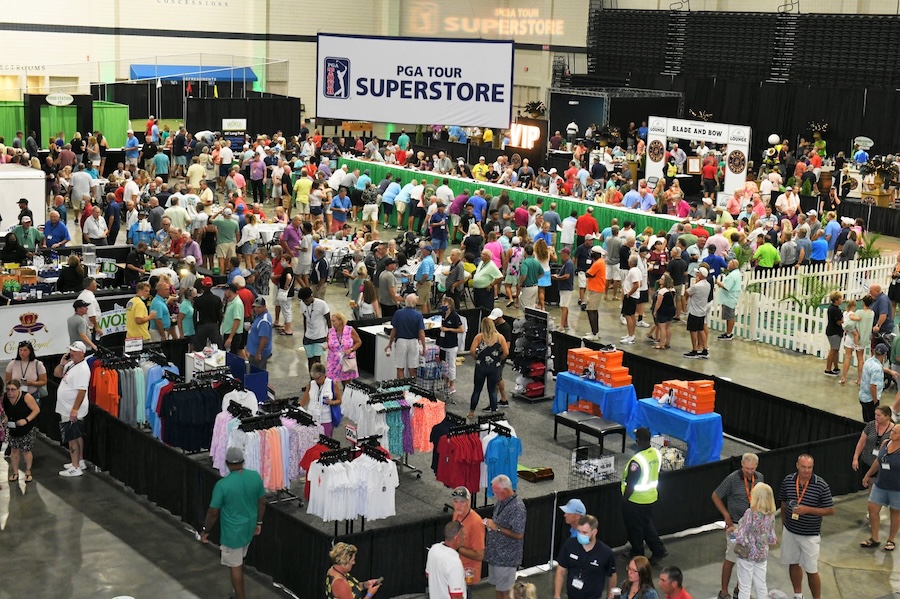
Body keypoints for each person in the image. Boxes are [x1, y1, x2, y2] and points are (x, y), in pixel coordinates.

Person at [200, 446, 266, 599]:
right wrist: (259, 523)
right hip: (249, 528)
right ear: (243, 461)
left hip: (233, 533)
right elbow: (262, 502)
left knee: (235, 565)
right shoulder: (255, 477)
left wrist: (206, 530)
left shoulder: (222, 485)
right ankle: (236, 593)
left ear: (227, 463)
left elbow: (213, 512)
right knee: (240, 559)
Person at [778, 454, 834, 599]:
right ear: (797, 465)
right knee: (793, 563)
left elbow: (830, 510)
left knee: (811, 569)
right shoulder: (788, 480)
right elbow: (783, 504)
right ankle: (798, 595)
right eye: (803, 467)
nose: (806, 471)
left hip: (810, 535)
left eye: (809, 467)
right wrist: (784, 525)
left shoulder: (821, 485)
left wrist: (808, 510)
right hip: (790, 531)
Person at [711, 453, 764, 599]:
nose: (749, 472)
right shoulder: (732, 479)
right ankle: (723, 592)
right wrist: (726, 515)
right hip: (734, 527)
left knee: (747, 559)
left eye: (752, 469)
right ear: (742, 464)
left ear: (756, 466)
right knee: (732, 556)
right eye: (747, 468)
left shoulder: (759, 478)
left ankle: (740, 589)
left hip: (751, 526)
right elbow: (715, 495)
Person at [622, 427, 667, 563]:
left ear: (638, 441)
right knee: (646, 525)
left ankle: (637, 554)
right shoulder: (656, 453)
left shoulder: (638, 460)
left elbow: (631, 483)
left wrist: (625, 500)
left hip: (636, 500)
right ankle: (658, 549)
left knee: (635, 528)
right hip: (651, 497)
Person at [553, 514, 617, 599]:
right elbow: (560, 570)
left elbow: (612, 576)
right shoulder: (570, 545)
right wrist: (557, 595)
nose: (580, 535)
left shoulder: (605, 552)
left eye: (584, 532)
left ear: (594, 532)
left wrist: (610, 597)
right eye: (579, 531)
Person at [484, 474, 527, 599]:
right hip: (496, 555)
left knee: (506, 592)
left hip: (506, 558)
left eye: (496, 492)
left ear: (505, 490)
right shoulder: (502, 501)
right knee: (499, 588)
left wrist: (496, 527)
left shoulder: (517, 507)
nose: (494, 494)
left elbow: (519, 534)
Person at [733, 483, 778, 599]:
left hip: (747, 554)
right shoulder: (771, 516)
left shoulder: (750, 513)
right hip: (762, 555)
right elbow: (771, 538)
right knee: (761, 584)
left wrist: (733, 533)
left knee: (745, 586)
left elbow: (742, 536)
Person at [53, 341, 91, 477]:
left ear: (82, 353)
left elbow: (82, 391)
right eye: (71, 350)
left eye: (75, 351)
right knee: (76, 435)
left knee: (72, 437)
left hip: (72, 409)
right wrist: (62, 363)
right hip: (67, 407)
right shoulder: (71, 364)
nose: (72, 353)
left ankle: (75, 467)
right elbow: (57, 374)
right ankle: (80, 461)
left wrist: (74, 410)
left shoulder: (83, 369)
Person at [861, 424, 900, 550]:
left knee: (895, 513)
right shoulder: (885, 443)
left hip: (897, 488)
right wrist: (868, 475)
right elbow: (878, 461)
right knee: (872, 509)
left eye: (895, 432)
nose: (892, 433)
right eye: (892, 431)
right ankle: (875, 538)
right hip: (880, 484)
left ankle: (891, 540)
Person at [467, 317, 509, 418]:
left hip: (481, 366)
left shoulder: (479, 337)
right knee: (492, 390)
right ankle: (493, 413)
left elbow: (472, 351)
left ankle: (471, 412)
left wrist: (476, 358)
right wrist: (499, 359)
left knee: (477, 390)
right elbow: (506, 352)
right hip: (494, 367)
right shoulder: (499, 337)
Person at [2, 379, 40, 483]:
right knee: (14, 450)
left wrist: (26, 420)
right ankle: (15, 472)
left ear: (19, 389)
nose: (10, 392)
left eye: (13, 389)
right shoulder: (5, 398)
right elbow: (5, 410)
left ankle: (28, 472)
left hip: (27, 428)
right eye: (8, 389)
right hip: (13, 427)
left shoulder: (26, 397)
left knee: (26, 450)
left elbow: (36, 409)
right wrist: (5, 418)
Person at [449, 486, 485, 590]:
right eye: (456, 501)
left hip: (468, 574)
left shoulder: (476, 523)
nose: (458, 506)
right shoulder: (456, 514)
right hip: (456, 568)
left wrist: (458, 548)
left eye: (462, 502)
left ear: (469, 502)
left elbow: (480, 555)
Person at [386, 295, 427, 379]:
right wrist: (424, 346)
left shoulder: (398, 313)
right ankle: (412, 385)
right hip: (413, 342)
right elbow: (421, 332)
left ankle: (401, 386)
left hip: (401, 341)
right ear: (414, 303)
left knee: (400, 367)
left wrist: (390, 343)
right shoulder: (418, 315)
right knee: (412, 368)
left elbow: (394, 330)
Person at [426, 520, 468, 599]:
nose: (465, 537)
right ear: (457, 538)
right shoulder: (455, 563)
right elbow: (456, 596)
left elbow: (428, 574)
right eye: (463, 534)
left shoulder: (433, 549)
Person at [859, 344, 899, 422]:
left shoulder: (869, 361)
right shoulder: (877, 368)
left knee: (866, 419)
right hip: (871, 400)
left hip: (863, 397)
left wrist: (890, 371)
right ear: (884, 354)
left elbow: (879, 368)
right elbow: (873, 386)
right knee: (873, 422)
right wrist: (876, 401)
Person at [301, 362, 342, 437]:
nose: (316, 380)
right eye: (314, 378)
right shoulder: (311, 384)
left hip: (326, 419)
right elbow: (303, 401)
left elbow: (339, 400)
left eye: (317, 378)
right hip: (312, 418)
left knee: (326, 441)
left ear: (323, 375)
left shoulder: (332, 384)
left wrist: (332, 402)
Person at [300, 286, 331, 371]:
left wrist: (329, 336)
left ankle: (319, 377)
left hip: (320, 336)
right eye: (303, 301)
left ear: (311, 296)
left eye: (306, 300)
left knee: (317, 360)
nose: (305, 303)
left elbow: (328, 320)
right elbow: (305, 318)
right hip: (308, 336)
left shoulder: (322, 304)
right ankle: (312, 378)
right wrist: (305, 334)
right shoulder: (302, 304)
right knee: (310, 359)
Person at [438, 297, 464, 395]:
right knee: (444, 365)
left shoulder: (455, 316)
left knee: (451, 366)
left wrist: (448, 329)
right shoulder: (443, 314)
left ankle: (452, 386)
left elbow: (461, 329)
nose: (442, 305)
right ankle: (446, 383)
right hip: (443, 343)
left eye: (444, 303)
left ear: (449, 305)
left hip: (451, 345)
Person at [326, 312, 362, 384]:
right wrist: (325, 346)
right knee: (332, 383)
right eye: (331, 321)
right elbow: (327, 343)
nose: (332, 323)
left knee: (346, 383)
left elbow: (358, 342)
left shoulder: (349, 330)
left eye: (334, 321)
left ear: (340, 321)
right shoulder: (330, 332)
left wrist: (351, 349)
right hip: (333, 361)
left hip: (346, 360)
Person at [684, 266, 711, 359]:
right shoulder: (708, 285)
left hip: (694, 312)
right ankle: (705, 349)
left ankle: (694, 350)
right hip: (702, 311)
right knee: (701, 329)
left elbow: (687, 293)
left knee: (693, 331)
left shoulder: (696, 286)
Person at [584, 245, 607, 341]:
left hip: (595, 289)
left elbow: (588, 274)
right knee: (594, 310)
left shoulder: (598, 263)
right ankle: (595, 331)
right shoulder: (599, 261)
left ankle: (594, 334)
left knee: (591, 311)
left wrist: (589, 273)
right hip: (596, 288)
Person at [715, 260, 741, 341]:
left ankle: (729, 334)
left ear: (734, 265)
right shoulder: (736, 273)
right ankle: (728, 332)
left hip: (729, 299)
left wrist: (718, 283)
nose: (728, 265)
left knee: (730, 317)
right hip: (730, 298)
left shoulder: (733, 275)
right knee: (729, 316)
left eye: (729, 264)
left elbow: (727, 287)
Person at [246, 296, 274, 370]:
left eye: (259, 307)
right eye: (255, 307)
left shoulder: (264, 321)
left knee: (256, 372)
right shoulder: (260, 315)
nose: (256, 309)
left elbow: (264, 338)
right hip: (254, 351)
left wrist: (259, 353)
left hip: (258, 353)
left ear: (264, 307)